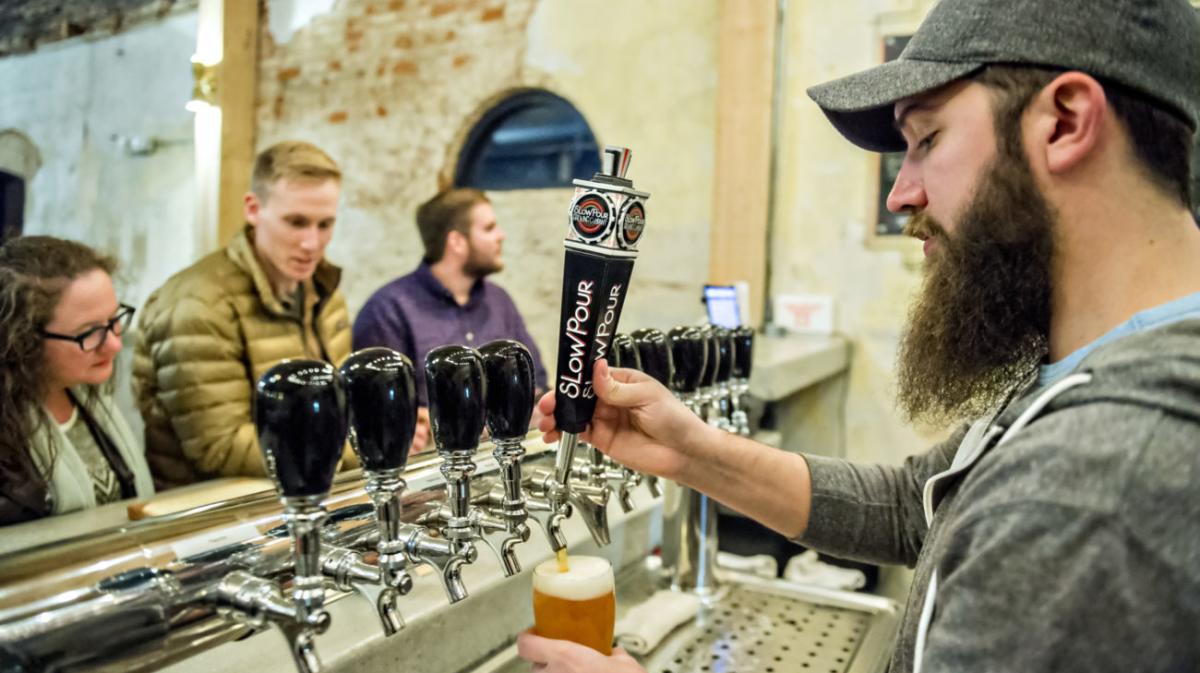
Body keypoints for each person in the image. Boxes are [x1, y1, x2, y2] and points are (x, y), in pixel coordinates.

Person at [520, 0, 1200, 671]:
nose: (900, 193)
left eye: (927, 139)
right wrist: (694, 452)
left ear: (1065, 122)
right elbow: (916, 507)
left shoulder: (1095, 488)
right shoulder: (1087, 369)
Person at [133, 141, 357, 489]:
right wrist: (357, 447)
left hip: (306, 500)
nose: (312, 243)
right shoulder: (197, 304)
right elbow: (218, 450)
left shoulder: (325, 293)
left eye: (325, 224)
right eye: (296, 222)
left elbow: (340, 408)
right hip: (216, 522)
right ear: (253, 209)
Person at [353, 187, 548, 452]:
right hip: (432, 480)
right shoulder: (387, 311)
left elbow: (536, 380)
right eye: (489, 228)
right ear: (456, 241)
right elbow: (379, 419)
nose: (501, 236)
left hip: (507, 464)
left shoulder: (499, 301)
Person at [0, 236, 154, 525]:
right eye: (89, 332)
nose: (114, 345)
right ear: (22, 340)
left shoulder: (88, 394)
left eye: (113, 320)